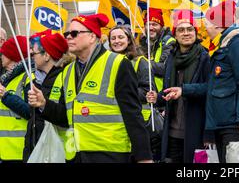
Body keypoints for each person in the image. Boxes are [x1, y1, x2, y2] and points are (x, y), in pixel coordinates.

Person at [28, 14, 153, 163]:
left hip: (110, 154)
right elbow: (67, 117)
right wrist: (44, 104)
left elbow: (132, 114)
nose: (68, 37)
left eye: (74, 33)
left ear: (92, 36)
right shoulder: (67, 71)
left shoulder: (117, 63)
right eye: (67, 34)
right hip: (76, 155)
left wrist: (144, 157)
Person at [147, 9, 210, 163]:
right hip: (172, 130)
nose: (186, 33)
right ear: (175, 34)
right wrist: (158, 97)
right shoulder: (171, 57)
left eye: (190, 29)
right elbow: (170, 90)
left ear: (195, 33)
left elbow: (210, 88)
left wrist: (185, 90)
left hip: (196, 129)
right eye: (181, 30)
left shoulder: (204, 56)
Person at [0, 30, 71, 161]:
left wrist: (44, 104)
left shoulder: (64, 77)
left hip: (57, 152)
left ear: (47, 56)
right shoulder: (39, 80)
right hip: (36, 151)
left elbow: (67, 117)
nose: (31, 56)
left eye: (34, 53)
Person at [204, 0, 239, 163]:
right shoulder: (224, 44)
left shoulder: (238, 44)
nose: (205, 28)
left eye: (207, 24)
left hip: (233, 124)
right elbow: (213, 86)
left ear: (218, 26)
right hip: (222, 122)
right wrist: (183, 90)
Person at [0, 35, 29, 162]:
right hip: (4, 151)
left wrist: (6, 96)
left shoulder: (28, 78)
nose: (1, 56)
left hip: (18, 152)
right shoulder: (5, 78)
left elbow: (32, 111)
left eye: (3, 53)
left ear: (12, 55)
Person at [140, 8, 176, 92]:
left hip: (162, 93)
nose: (151, 28)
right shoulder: (143, 43)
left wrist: (142, 63)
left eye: (155, 24)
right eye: (148, 24)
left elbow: (166, 68)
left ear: (162, 27)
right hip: (146, 92)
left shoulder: (169, 42)